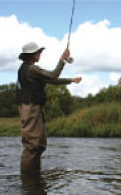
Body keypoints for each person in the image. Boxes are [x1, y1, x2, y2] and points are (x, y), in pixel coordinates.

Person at [17, 42, 82, 173]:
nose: (40, 54)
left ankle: (35, 174)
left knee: (40, 144)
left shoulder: (30, 69)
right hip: (30, 108)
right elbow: (53, 75)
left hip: (35, 109)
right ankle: (27, 177)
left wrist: (71, 80)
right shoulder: (31, 69)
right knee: (32, 145)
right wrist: (62, 60)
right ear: (31, 55)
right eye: (38, 52)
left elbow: (51, 80)